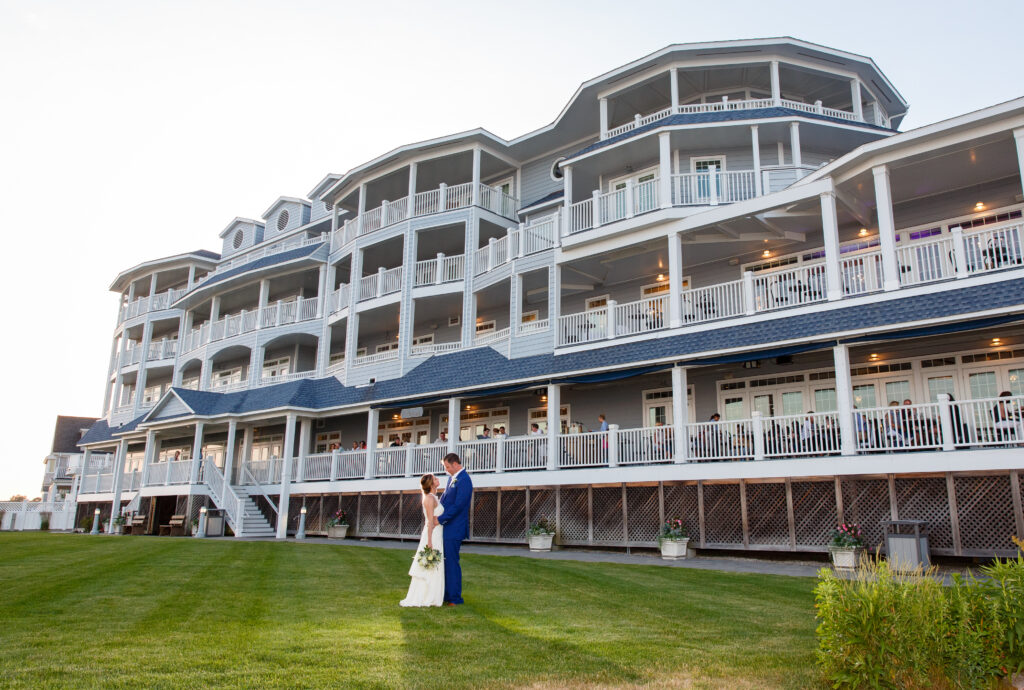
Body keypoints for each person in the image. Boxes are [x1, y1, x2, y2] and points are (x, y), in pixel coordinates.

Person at [399, 473, 445, 607]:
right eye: (435, 479)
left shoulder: (433, 497)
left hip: (437, 533)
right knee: (430, 564)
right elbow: (430, 522)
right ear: (431, 484)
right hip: (432, 535)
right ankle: (426, 596)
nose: (438, 480)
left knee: (435, 564)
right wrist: (429, 542)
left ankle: (433, 595)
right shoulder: (429, 499)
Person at [437, 453, 473, 606]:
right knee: (445, 562)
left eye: (447, 467)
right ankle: (446, 594)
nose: (446, 470)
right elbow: (446, 501)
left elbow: (458, 506)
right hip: (447, 527)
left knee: (451, 562)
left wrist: (440, 519)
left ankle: (455, 598)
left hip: (455, 527)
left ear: (456, 464)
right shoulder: (451, 479)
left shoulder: (464, 480)